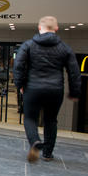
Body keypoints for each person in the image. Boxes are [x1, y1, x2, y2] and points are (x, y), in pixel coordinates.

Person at [12, 16, 80, 161]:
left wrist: (20, 85)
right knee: (51, 120)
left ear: (39, 28)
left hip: (33, 88)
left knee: (30, 118)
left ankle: (35, 142)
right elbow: (74, 71)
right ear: (56, 28)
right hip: (55, 90)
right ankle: (48, 153)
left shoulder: (28, 45)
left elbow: (18, 66)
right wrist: (74, 91)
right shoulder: (64, 48)